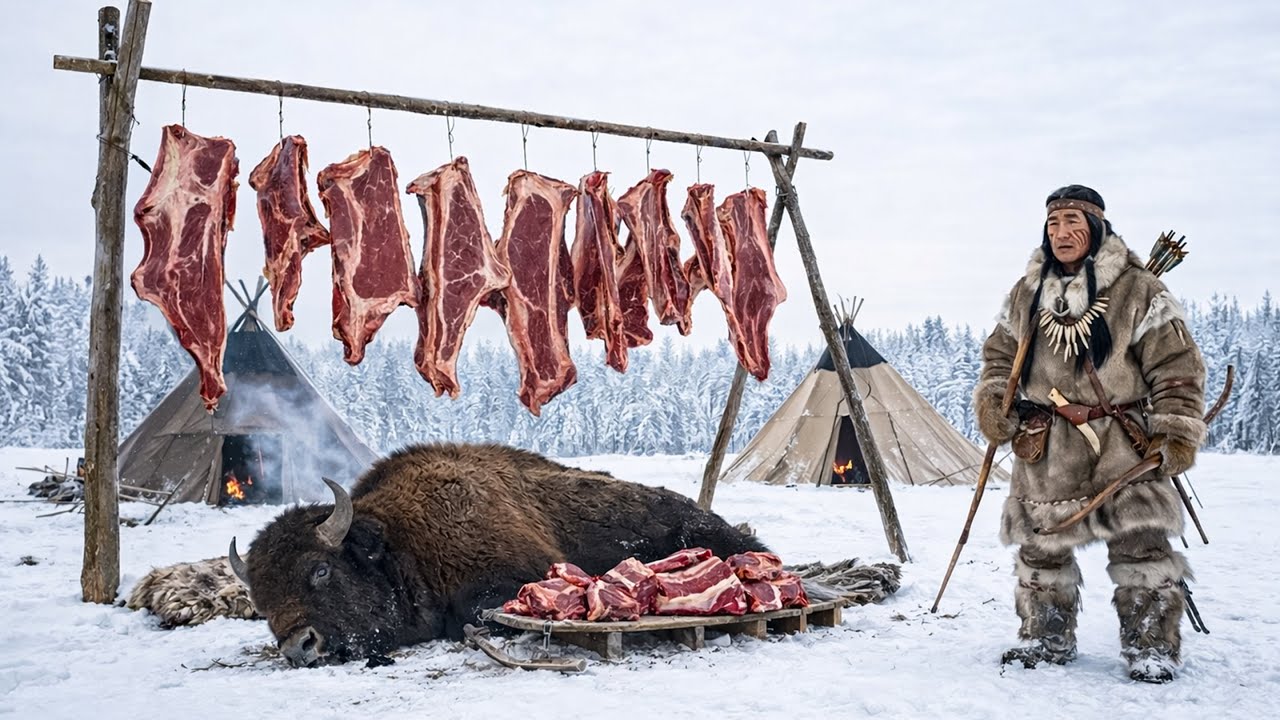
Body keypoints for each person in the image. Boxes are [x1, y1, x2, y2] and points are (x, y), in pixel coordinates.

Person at [973, 185, 1207, 683]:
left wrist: (1175, 431)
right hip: (1047, 442)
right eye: (1054, 224)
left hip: (1121, 439)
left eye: (1073, 223)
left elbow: (1177, 369)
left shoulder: (1138, 289)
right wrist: (996, 401)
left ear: (1096, 228)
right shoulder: (1026, 292)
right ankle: (1045, 637)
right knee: (1041, 547)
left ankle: (1151, 647)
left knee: (1141, 545)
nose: (1062, 233)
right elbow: (998, 356)